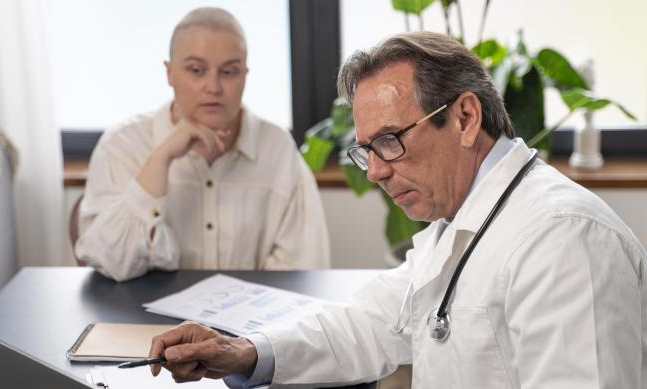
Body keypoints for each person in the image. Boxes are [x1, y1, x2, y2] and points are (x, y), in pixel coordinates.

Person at [147, 31, 647, 388]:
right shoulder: (457, 222)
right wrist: (245, 353)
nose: (375, 171)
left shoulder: (564, 239)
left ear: (465, 118)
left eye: (389, 141)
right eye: (366, 149)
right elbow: (368, 322)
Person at [76, 7, 330, 282]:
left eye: (229, 72)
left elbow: (305, 271)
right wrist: (160, 159)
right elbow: (110, 263)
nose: (213, 86)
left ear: (245, 74)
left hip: (249, 322)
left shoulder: (277, 148)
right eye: (196, 70)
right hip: (144, 323)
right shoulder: (122, 144)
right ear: (170, 73)